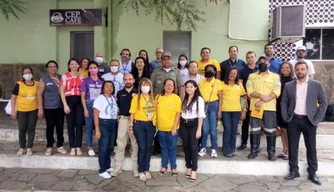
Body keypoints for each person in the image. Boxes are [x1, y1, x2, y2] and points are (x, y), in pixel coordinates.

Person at [281, 61, 327, 185]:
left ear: (307, 70)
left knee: (311, 148)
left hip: (309, 121)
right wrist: (286, 117)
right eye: (298, 69)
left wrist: (316, 119)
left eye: (302, 69)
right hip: (293, 120)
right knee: (293, 147)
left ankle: (312, 173)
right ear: (295, 71)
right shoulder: (289, 85)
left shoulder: (316, 85)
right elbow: (284, 102)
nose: (300, 71)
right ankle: (293, 171)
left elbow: (323, 103)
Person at [246, 57, 281, 161]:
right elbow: (249, 91)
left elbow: (276, 92)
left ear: (269, 64)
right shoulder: (251, 76)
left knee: (270, 130)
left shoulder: (275, 76)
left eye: (265, 62)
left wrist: (263, 100)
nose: (263, 64)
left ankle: (271, 153)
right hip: (255, 107)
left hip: (269, 108)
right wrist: (262, 96)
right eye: (260, 62)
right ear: (257, 64)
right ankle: (254, 151)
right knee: (254, 130)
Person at [151, 51, 184, 155]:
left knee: (171, 123)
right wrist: (152, 100)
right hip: (158, 101)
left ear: (171, 60)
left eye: (168, 59)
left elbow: (180, 86)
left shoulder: (176, 71)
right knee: (158, 123)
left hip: (172, 102)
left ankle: (171, 148)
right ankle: (157, 148)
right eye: (164, 58)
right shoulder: (156, 71)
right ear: (161, 60)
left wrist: (181, 101)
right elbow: (151, 86)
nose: (166, 60)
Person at [37, 60, 67, 156]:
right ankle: (49, 146)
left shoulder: (60, 77)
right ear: (47, 68)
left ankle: (60, 145)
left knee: (60, 125)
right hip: (49, 107)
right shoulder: (44, 78)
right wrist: (40, 109)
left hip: (60, 106)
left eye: (54, 66)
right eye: (50, 66)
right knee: (50, 126)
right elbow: (39, 94)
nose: (52, 68)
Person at [129, 78, 156, 181]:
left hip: (150, 125)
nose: (145, 86)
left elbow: (154, 111)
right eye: (143, 84)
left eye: (147, 84)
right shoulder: (136, 97)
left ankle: (146, 169)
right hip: (139, 124)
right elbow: (132, 112)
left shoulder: (153, 97)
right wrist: (131, 126)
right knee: (142, 147)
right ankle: (141, 170)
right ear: (140, 86)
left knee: (148, 147)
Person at [112, 73, 139, 177]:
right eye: (126, 79)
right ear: (123, 81)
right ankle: (117, 168)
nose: (128, 81)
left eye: (130, 79)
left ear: (133, 80)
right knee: (120, 143)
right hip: (123, 119)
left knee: (135, 144)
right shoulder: (119, 93)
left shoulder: (138, 92)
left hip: (136, 120)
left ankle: (136, 169)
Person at [180, 80, 205, 182]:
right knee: (186, 146)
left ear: (195, 88)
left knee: (193, 147)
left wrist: (199, 129)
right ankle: (189, 167)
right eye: (187, 87)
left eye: (191, 87)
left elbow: (200, 116)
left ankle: (194, 170)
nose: (189, 89)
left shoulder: (199, 99)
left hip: (194, 125)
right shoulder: (184, 98)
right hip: (184, 124)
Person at [156, 78, 182, 177]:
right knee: (163, 148)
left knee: (172, 148)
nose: (169, 86)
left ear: (174, 87)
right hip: (161, 128)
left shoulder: (176, 98)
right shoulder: (158, 97)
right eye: (167, 84)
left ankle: (174, 167)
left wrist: (174, 127)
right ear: (163, 86)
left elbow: (178, 114)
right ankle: (164, 166)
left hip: (173, 128)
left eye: (171, 85)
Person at [11, 67, 39, 156]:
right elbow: (13, 97)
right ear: (23, 75)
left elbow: (40, 96)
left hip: (33, 109)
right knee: (22, 128)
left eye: (29, 72)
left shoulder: (37, 84)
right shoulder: (18, 84)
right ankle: (22, 148)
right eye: (25, 73)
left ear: (32, 73)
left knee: (31, 128)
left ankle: (29, 148)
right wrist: (13, 110)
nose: (27, 74)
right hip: (21, 110)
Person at [93, 81, 118, 179]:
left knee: (109, 146)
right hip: (103, 123)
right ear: (103, 88)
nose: (109, 88)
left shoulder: (112, 98)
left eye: (111, 86)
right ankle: (102, 170)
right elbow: (95, 115)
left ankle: (107, 166)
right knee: (103, 147)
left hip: (113, 123)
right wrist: (97, 129)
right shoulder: (100, 99)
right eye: (107, 86)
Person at [60, 58, 85, 156]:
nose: (74, 65)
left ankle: (78, 146)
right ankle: (72, 147)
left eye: (76, 64)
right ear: (69, 66)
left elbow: (83, 91)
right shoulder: (65, 76)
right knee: (70, 125)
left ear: (78, 66)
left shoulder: (82, 76)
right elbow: (62, 91)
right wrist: (65, 105)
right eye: (72, 64)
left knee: (79, 124)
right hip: (69, 101)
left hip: (79, 101)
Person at [221, 67, 248, 157]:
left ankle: (232, 150)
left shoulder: (239, 85)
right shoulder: (222, 84)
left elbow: (244, 98)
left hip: (236, 111)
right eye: (231, 73)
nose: (232, 75)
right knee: (227, 130)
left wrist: (244, 111)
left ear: (237, 75)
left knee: (233, 131)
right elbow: (219, 99)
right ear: (227, 74)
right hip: (225, 111)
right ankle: (226, 150)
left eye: (235, 73)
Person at [198, 64, 222, 158]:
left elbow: (221, 98)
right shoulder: (201, 82)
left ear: (215, 72)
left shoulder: (218, 82)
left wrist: (219, 111)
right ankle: (203, 147)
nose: (209, 71)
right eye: (207, 70)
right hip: (203, 105)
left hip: (214, 105)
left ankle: (213, 149)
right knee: (205, 129)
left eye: (211, 70)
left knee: (213, 130)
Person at [80, 61, 104, 156]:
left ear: (97, 69)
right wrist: (85, 109)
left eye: (95, 67)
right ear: (89, 70)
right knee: (89, 127)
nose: (93, 69)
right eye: (91, 67)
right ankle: (90, 147)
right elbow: (82, 96)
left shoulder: (102, 81)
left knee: (101, 127)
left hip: (100, 106)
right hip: (89, 105)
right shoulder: (86, 81)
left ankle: (101, 146)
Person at [237, 51, 258, 151]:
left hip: (258, 100)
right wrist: (246, 96)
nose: (250, 59)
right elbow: (240, 84)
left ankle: (255, 145)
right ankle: (243, 143)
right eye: (248, 57)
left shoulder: (259, 70)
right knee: (245, 122)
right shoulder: (242, 70)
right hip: (246, 99)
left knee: (256, 123)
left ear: (255, 58)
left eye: (252, 57)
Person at [276, 62, 294, 160]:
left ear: (291, 69)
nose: (285, 69)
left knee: (287, 130)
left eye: (287, 67)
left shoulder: (293, 81)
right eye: (283, 68)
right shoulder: (278, 80)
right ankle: (284, 149)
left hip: (288, 109)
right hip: (278, 107)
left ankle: (288, 150)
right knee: (282, 129)